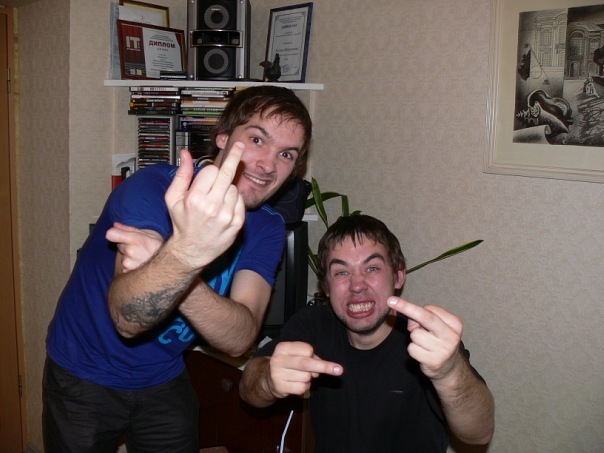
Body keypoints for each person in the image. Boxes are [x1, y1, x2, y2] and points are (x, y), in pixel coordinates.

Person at [44, 85, 313, 452]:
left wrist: (177, 261)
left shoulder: (267, 227)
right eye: (256, 139)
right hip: (83, 372)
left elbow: (240, 337)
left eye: (286, 154)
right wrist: (187, 255)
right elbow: (129, 318)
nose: (268, 165)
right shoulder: (151, 189)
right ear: (222, 136)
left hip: (164, 374)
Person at [240, 214, 495, 452]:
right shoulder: (314, 324)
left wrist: (449, 373)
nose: (357, 285)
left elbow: (479, 433)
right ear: (326, 287)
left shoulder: (427, 341)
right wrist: (268, 381)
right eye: (342, 272)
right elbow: (248, 387)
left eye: (372, 268)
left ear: (398, 275)